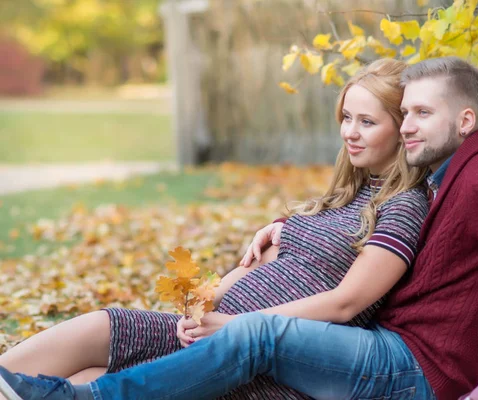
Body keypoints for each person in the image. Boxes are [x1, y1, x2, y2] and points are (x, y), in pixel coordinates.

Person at [0, 58, 432, 400]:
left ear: (402, 129)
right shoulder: (346, 193)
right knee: (103, 326)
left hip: (261, 363)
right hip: (212, 330)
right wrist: (203, 302)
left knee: (90, 379)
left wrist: (231, 327)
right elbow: (261, 264)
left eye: (367, 122)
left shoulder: (402, 206)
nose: (349, 134)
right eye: (346, 118)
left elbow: (344, 304)